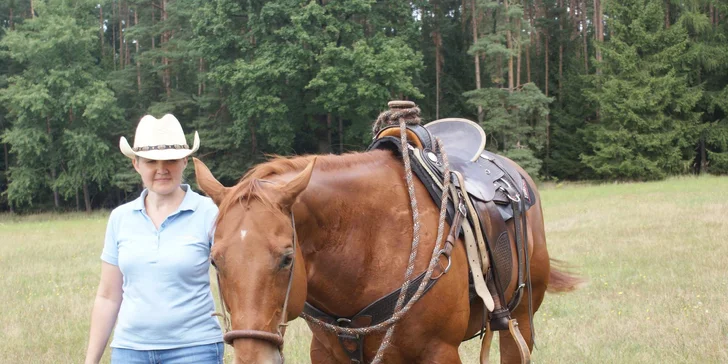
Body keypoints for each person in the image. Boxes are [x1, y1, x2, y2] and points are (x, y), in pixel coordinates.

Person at [84, 114, 223, 364]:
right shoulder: (120, 218)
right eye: (151, 161)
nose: (161, 169)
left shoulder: (209, 213)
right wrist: (90, 361)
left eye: (170, 159)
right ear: (136, 164)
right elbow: (108, 295)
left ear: (184, 161)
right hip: (130, 350)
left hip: (195, 350)